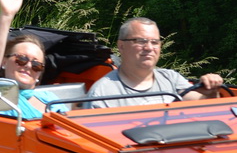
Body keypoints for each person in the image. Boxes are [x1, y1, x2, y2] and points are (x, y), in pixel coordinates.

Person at [84, 16, 225, 108]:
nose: (149, 48)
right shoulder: (102, 93)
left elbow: (204, 107)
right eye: (141, 41)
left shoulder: (171, 78)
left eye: (155, 42)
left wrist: (213, 90)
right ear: (121, 46)